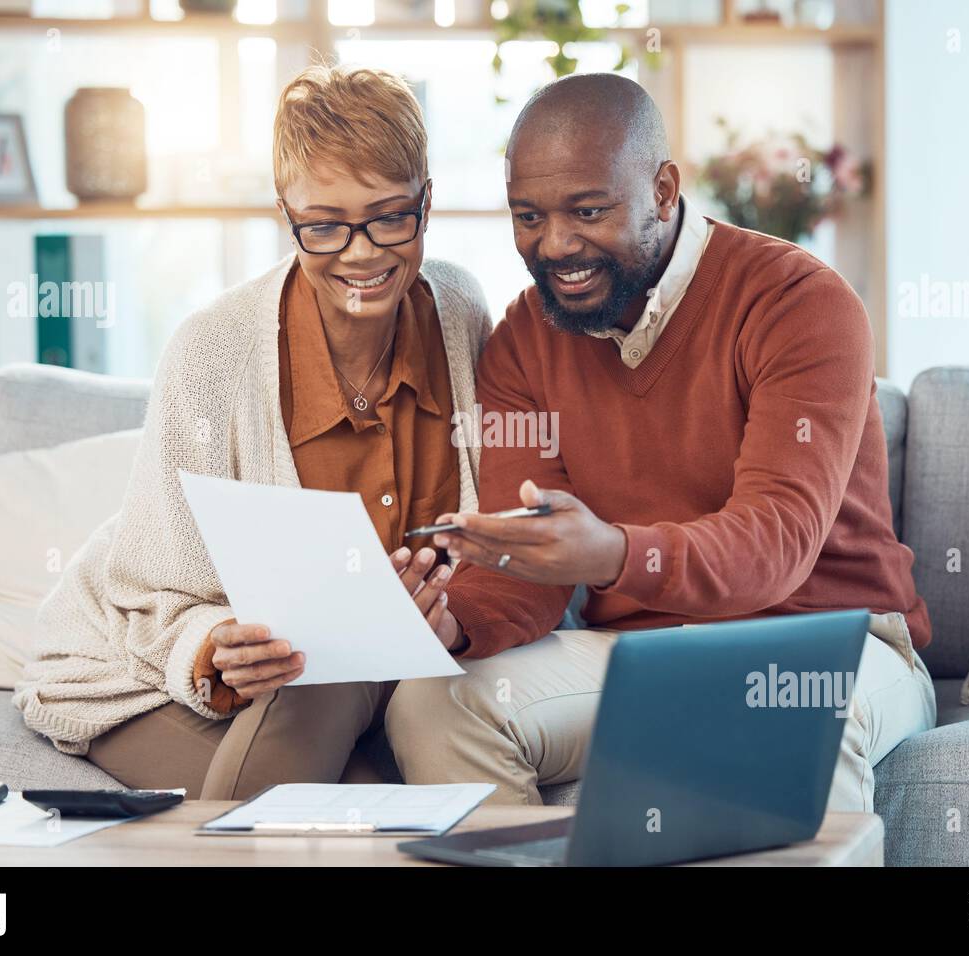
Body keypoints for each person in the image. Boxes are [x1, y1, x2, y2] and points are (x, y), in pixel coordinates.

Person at [385, 73, 937, 813]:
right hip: (643, 653)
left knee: (781, 709)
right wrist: (454, 623)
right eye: (528, 216)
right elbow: (525, 563)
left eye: (588, 210)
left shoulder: (799, 303)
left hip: (829, 640)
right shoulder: (523, 341)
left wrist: (611, 552)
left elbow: (776, 543)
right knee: (431, 702)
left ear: (664, 190)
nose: (555, 245)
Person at [14, 64, 489, 799]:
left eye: (390, 216)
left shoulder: (459, 313)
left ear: (427, 202)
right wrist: (215, 646)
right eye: (324, 225)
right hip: (154, 679)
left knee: (358, 727)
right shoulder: (213, 350)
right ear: (285, 214)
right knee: (336, 729)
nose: (361, 254)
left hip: (367, 684)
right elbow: (151, 588)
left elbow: (493, 546)